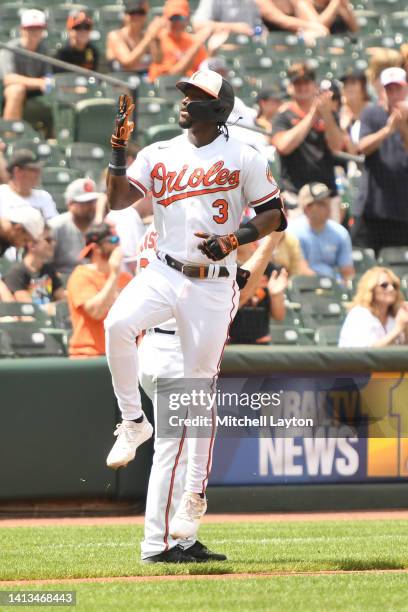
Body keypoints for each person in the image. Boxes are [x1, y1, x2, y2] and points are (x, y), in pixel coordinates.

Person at [105, 69, 286, 559]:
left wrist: (235, 240)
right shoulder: (159, 152)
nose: (185, 101)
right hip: (165, 272)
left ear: (220, 109)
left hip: (210, 284)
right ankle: (131, 422)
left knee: (198, 405)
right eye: (184, 93)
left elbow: (275, 216)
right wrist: (118, 153)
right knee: (117, 324)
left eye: (198, 96)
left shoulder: (244, 156)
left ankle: (189, 507)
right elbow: (118, 200)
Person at [110, 222, 283, 563]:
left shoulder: (160, 225)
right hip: (173, 350)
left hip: (160, 344)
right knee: (173, 453)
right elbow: (239, 290)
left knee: (184, 453)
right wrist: (270, 242)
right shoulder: (190, 230)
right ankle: (156, 546)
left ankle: (182, 543)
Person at [271, 62, 345, 221]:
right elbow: (283, 146)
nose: (302, 87)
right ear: (290, 86)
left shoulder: (329, 114)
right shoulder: (283, 116)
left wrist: (326, 116)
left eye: (306, 82)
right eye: (297, 83)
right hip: (296, 196)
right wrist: (312, 116)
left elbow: (337, 147)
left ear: (314, 85)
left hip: (326, 195)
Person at [353, 67, 408, 255]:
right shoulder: (371, 113)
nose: (394, 94)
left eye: (398, 89)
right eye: (389, 89)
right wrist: (388, 129)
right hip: (373, 208)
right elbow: (363, 147)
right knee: (364, 264)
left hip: (402, 210)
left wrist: (403, 127)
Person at [67, 223, 132, 358]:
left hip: (121, 356)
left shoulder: (126, 278)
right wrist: (114, 275)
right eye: (113, 240)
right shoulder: (81, 275)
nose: (117, 245)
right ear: (96, 248)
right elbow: (96, 312)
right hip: (88, 355)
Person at [289, 182, 354, 281]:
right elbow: (300, 270)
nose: (328, 207)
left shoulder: (340, 233)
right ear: (307, 208)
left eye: (328, 202)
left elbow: (348, 273)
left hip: (334, 290)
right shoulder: (293, 232)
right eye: (321, 204)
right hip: (304, 289)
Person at [3, 225, 65, 316]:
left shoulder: (49, 269)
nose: (53, 244)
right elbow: (29, 308)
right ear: (32, 245)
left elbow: (63, 301)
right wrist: (53, 307)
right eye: (48, 240)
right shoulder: (16, 273)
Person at [339, 267, 408, 347]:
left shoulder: (395, 315)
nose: (391, 289)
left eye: (394, 285)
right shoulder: (359, 314)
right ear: (371, 289)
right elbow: (370, 354)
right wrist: (398, 328)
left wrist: (406, 328)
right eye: (384, 285)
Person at [0, 10, 50, 121]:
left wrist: (45, 82)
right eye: (31, 28)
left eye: (38, 28)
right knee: (16, 90)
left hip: (36, 92)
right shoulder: (10, 48)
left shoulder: (44, 48)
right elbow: (9, 79)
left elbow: (48, 76)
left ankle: (56, 136)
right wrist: (39, 82)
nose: (35, 32)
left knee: (54, 90)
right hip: (8, 92)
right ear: (22, 29)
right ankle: (10, 134)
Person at [148, 0, 211, 81]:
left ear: (187, 19)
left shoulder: (193, 40)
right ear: (165, 18)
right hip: (165, 90)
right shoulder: (158, 39)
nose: (177, 22)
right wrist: (195, 48)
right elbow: (171, 76)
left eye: (181, 18)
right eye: (173, 18)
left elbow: (204, 72)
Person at [50, 178, 99, 275]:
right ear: (70, 204)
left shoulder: (101, 225)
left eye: (93, 201)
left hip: (95, 280)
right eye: (85, 202)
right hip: (64, 282)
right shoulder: (55, 226)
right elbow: (46, 266)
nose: (91, 206)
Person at [106, 0, 164, 73]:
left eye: (141, 13)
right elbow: (127, 62)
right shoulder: (115, 35)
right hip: (121, 81)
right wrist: (149, 37)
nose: (137, 17)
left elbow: (158, 60)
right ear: (125, 15)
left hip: (145, 81)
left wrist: (156, 38)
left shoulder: (147, 36)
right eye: (132, 12)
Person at [0, 206, 45, 301]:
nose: (22, 246)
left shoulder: (5, 240)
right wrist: (9, 301)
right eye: (25, 240)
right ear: (18, 229)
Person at [0, 150, 58, 222]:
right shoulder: (2, 195)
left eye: (39, 169)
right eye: (34, 169)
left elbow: (53, 226)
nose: (39, 173)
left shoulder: (44, 196)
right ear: (17, 171)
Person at [255, 0, 328, 38]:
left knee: (315, 35)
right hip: (272, 45)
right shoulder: (260, 1)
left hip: (297, 44)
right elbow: (283, 21)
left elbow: (316, 22)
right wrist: (313, 27)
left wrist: (296, 2)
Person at [339, 69, 370, 145]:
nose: (349, 87)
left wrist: (344, 131)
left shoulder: (372, 112)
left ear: (363, 87)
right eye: (345, 84)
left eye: (353, 83)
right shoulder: (341, 114)